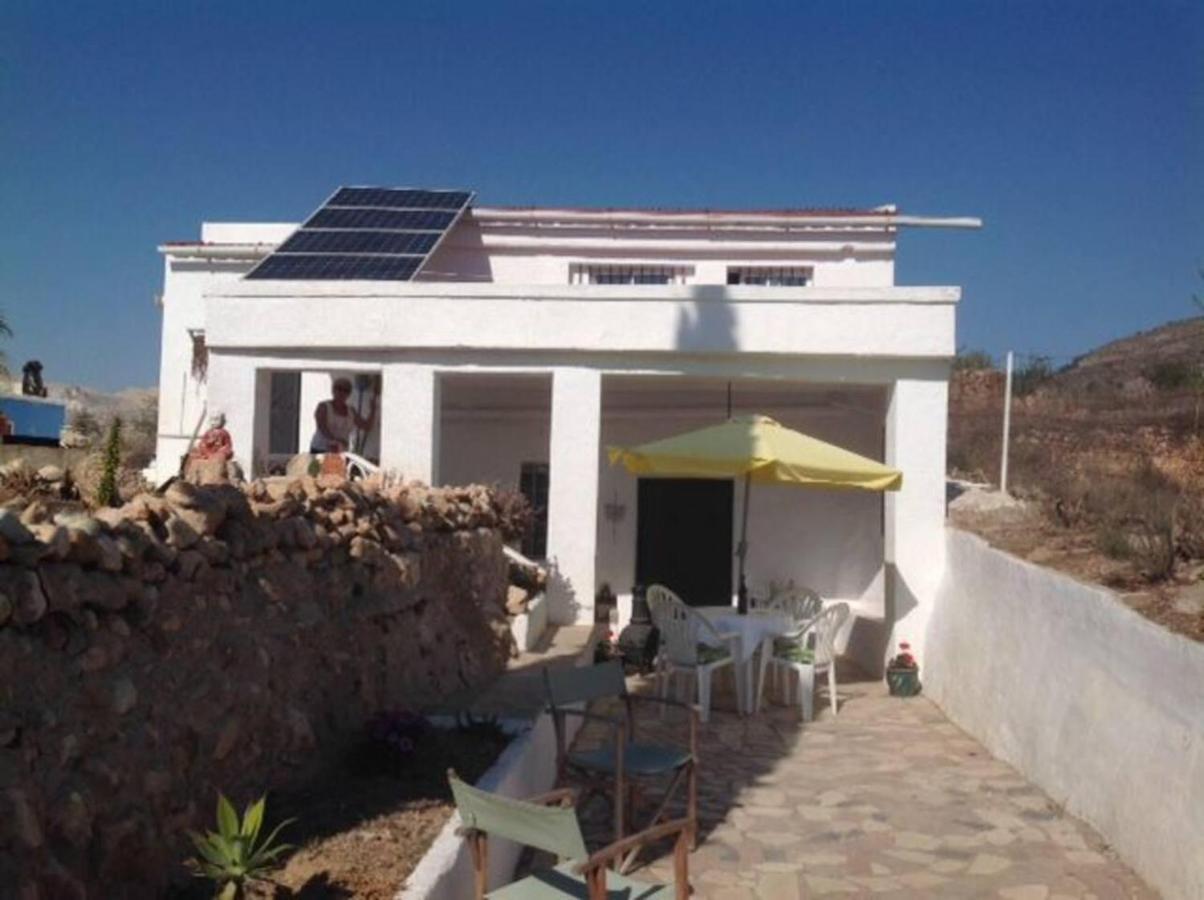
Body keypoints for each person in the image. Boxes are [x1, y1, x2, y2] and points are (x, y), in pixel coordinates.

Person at [311, 377, 375, 454]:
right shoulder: (323, 407)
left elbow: (366, 427)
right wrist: (336, 440)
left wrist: (373, 410)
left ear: (349, 394)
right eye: (339, 388)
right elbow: (322, 427)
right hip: (321, 449)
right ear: (333, 390)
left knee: (336, 466)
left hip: (340, 451)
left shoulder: (351, 411)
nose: (342, 392)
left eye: (346, 390)